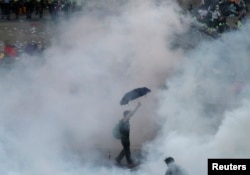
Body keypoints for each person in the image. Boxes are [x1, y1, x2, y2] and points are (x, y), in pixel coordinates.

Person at [115, 102, 141, 168]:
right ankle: (130, 163)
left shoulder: (125, 120)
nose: (129, 116)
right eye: (128, 115)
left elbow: (131, 114)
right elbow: (129, 115)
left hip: (126, 138)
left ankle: (118, 159)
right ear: (125, 115)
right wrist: (130, 111)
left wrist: (137, 107)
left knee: (125, 149)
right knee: (127, 151)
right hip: (124, 139)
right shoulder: (123, 120)